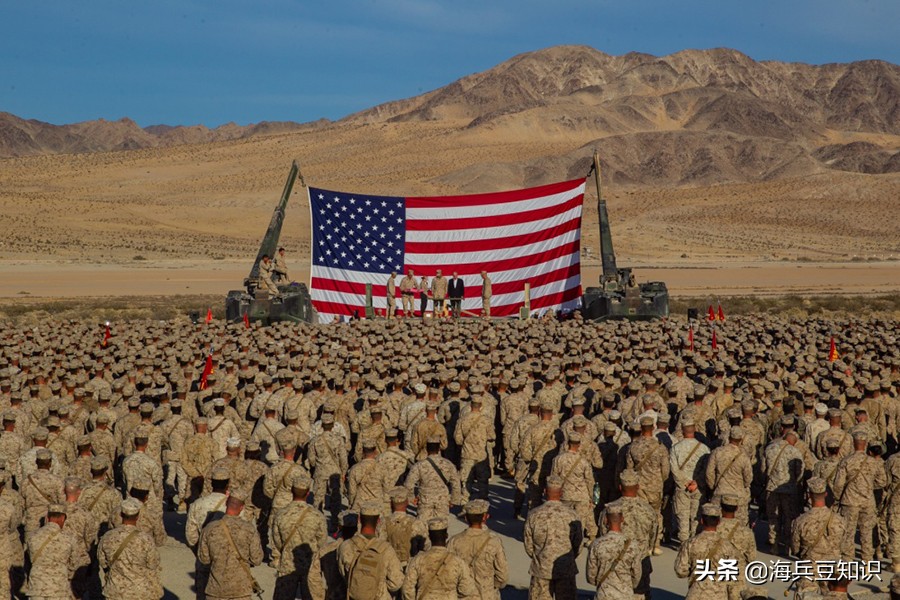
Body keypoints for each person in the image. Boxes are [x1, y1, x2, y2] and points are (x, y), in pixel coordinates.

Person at [523, 476, 583, 600]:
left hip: (541, 568)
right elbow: (578, 543)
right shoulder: (572, 515)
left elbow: (528, 544)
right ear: (561, 493)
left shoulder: (534, 514)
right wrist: (569, 557)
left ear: (545, 491)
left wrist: (540, 557)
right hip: (565, 568)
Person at [197, 493, 264, 600]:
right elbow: (257, 559)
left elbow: (204, 559)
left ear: (226, 504)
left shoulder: (209, 529)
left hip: (216, 589)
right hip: (241, 590)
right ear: (242, 508)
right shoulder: (249, 530)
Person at [97, 498, 163, 600]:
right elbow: (153, 563)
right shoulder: (145, 539)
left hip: (115, 591)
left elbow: (103, 562)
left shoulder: (107, 536)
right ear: (137, 516)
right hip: (140, 592)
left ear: (121, 515)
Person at [402, 517, 479, 600]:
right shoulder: (457, 561)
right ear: (446, 535)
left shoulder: (418, 560)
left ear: (429, 536)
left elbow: (407, 589)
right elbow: (467, 590)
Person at [585, 505, 642, 600]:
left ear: (605, 520)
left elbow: (591, 575)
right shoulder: (632, 545)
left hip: (604, 594)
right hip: (626, 595)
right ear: (622, 519)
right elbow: (636, 575)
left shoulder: (597, 544)